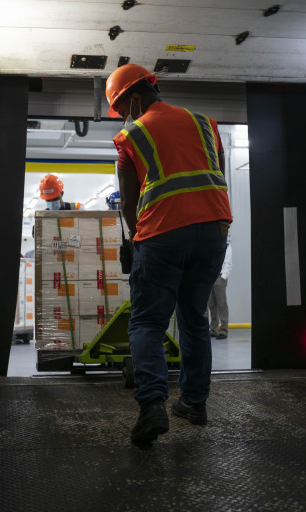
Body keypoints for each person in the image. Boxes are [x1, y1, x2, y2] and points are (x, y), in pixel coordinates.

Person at [105, 63, 232, 443]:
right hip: (214, 230)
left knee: (147, 322)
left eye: (122, 108)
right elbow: (218, 176)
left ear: (134, 98)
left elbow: (129, 204)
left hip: (163, 234)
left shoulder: (130, 136)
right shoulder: (206, 124)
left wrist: (136, 239)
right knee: (194, 318)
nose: (124, 117)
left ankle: (152, 406)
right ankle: (194, 402)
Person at [208, 243, 232, 339]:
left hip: (220, 277)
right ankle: (213, 329)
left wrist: (223, 277)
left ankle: (223, 330)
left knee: (221, 304)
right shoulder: (210, 244)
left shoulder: (227, 246)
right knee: (211, 305)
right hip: (210, 277)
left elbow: (228, 262)